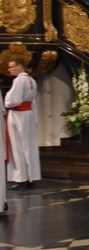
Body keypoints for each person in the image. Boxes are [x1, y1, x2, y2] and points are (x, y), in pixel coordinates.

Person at [5, 58, 41, 190]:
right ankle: (32, 176)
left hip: (18, 115)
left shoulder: (19, 80)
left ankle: (21, 178)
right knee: (29, 146)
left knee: (18, 146)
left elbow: (12, 100)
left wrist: (5, 103)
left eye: (11, 67)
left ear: (20, 67)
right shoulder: (32, 80)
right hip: (28, 115)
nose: (9, 70)